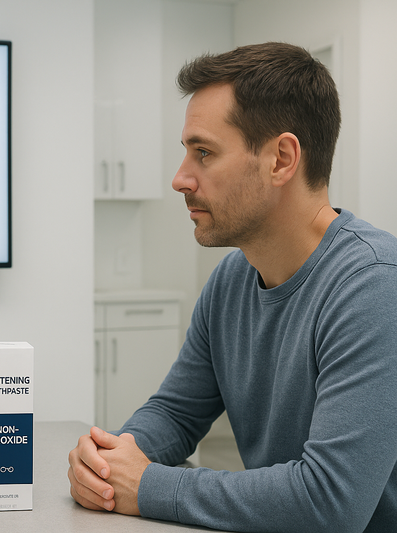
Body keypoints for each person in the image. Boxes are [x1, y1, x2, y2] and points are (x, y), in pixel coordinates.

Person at [68, 42, 397, 532]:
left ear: (281, 159)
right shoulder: (232, 278)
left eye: (204, 153)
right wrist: (110, 459)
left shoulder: (373, 286)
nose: (180, 179)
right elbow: (176, 413)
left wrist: (152, 486)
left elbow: (331, 503)